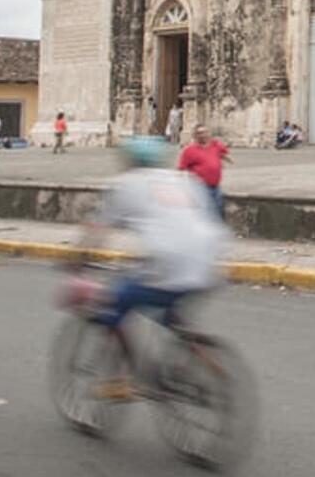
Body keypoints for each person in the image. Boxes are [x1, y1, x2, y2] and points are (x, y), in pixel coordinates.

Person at [77, 136, 228, 397]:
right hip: (210, 263)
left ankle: (124, 379)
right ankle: (204, 362)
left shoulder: (128, 183)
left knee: (112, 305)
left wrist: (76, 260)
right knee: (171, 312)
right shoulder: (187, 181)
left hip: (167, 265)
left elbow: (98, 229)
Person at [178, 124, 232, 218]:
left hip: (215, 188)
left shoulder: (215, 145)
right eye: (200, 133)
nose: (203, 135)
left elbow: (224, 153)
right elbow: (181, 169)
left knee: (219, 213)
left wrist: (223, 159)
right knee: (204, 216)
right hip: (200, 189)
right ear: (195, 136)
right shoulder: (189, 151)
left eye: (205, 132)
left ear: (209, 134)